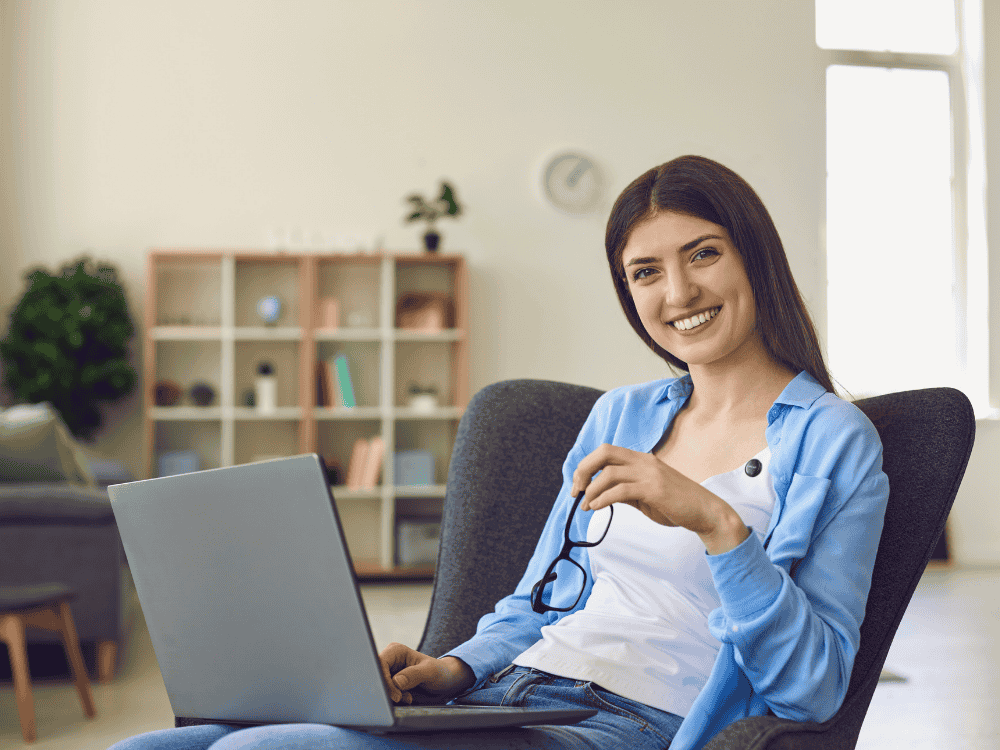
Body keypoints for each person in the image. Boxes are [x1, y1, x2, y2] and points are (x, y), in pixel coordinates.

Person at [108, 155, 889, 750]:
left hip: (629, 725)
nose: (677, 294)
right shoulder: (621, 415)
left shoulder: (833, 441)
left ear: (755, 255)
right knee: (152, 745)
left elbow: (816, 689)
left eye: (704, 254)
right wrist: (452, 670)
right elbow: (538, 602)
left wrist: (719, 526)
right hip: (518, 694)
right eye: (645, 272)